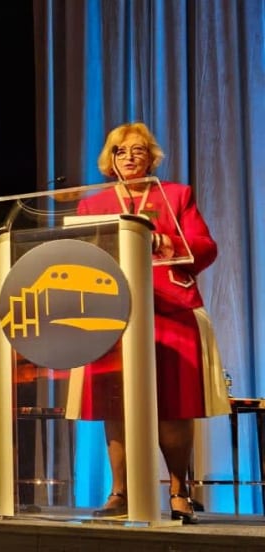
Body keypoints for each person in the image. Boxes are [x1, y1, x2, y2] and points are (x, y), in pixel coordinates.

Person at [71, 121, 230, 524]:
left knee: (174, 405)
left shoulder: (175, 195)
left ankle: (179, 490)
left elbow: (205, 247)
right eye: (121, 151)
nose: (130, 157)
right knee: (115, 404)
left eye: (139, 150)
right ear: (109, 159)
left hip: (170, 309)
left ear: (151, 156)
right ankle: (120, 492)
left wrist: (166, 241)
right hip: (111, 312)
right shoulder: (91, 205)